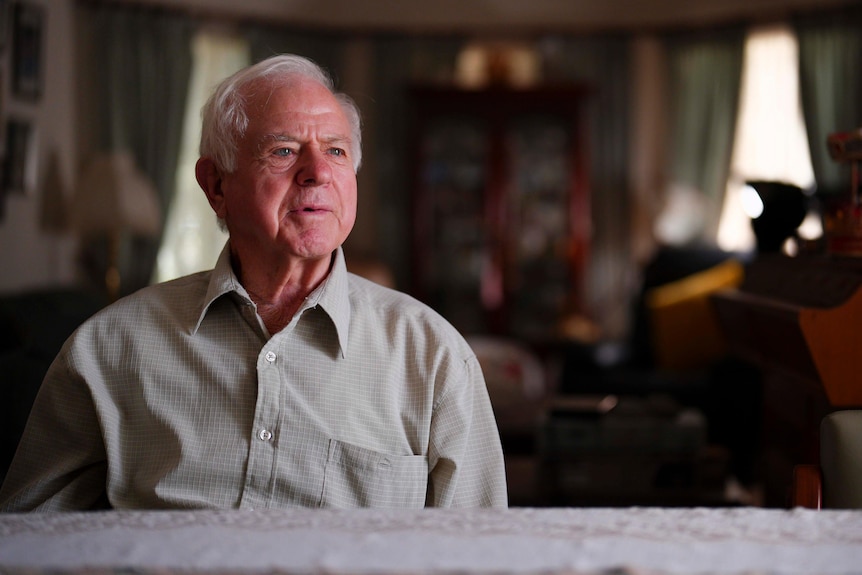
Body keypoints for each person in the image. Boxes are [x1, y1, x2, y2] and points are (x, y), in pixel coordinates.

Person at [0, 54, 507, 511]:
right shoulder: (107, 349)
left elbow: (483, 560)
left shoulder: (434, 358)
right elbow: (26, 545)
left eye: (334, 151)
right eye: (284, 151)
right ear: (215, 185)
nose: (316, 174)